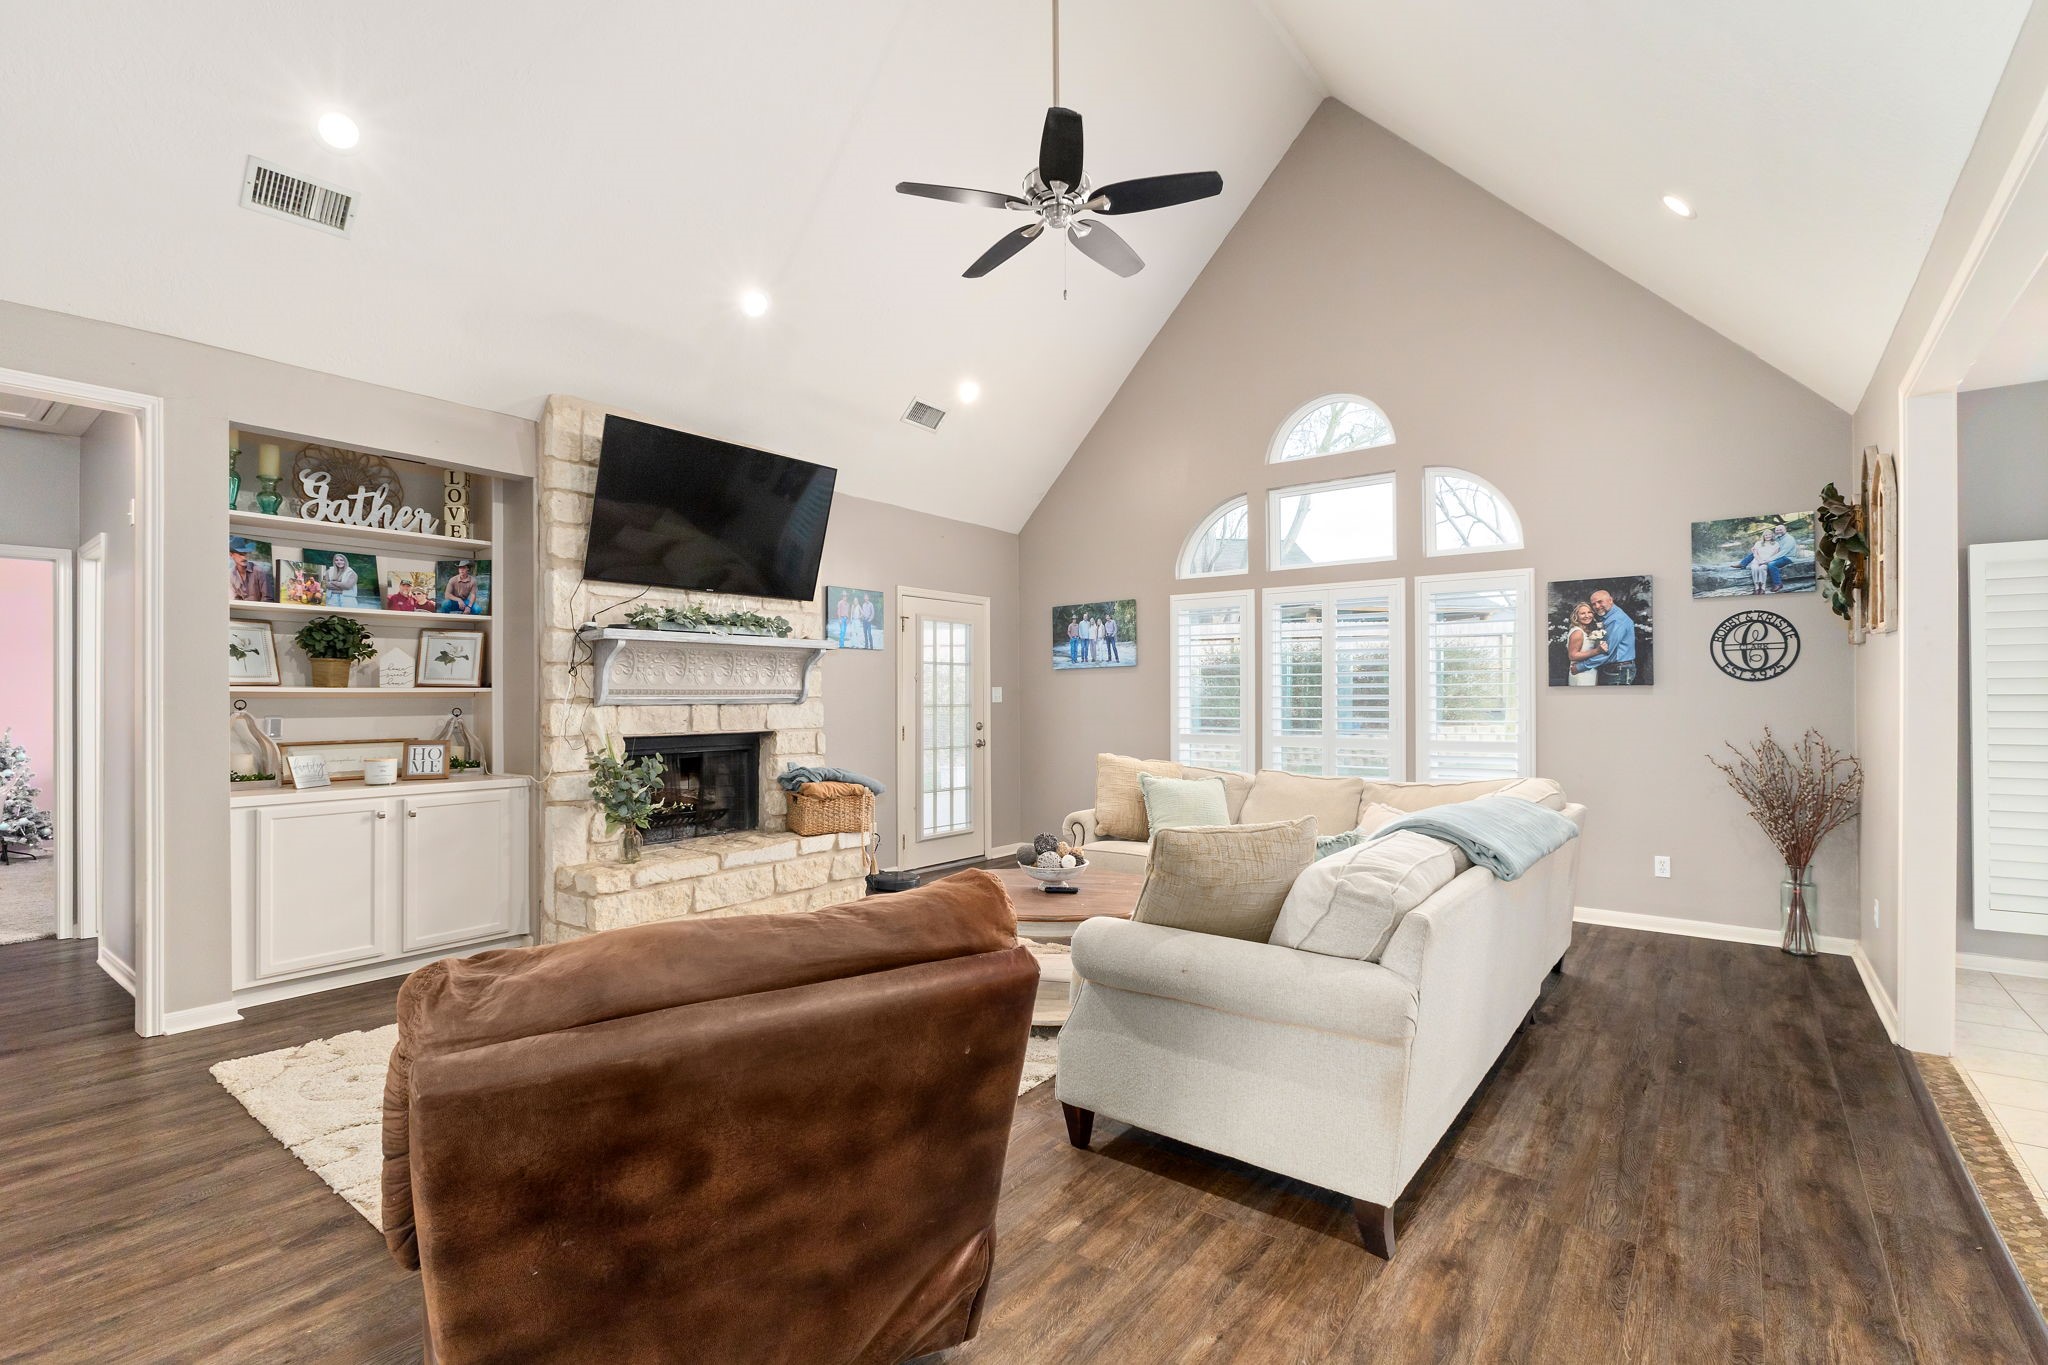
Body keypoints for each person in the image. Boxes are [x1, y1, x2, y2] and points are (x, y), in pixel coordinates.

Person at [1578, 588, 1639, 685]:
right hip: (1614, 669)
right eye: (1593, 604)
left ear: (1610, 600)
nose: (1597, 606)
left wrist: (1580, 667)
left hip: (1618, 670)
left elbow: (1607, 651)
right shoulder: (1609, 616)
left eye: (1600, 602)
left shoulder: (1616, 620)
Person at [1737, 522, 1797, 593]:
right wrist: (1755, 548)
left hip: (1787, 557)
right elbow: (1767, 544)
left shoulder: (1789, 539)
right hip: (1778, 555)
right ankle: (1743, 564)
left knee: (1771, 564)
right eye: (1777, 530)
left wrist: (1768, 560)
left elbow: (1782, 553)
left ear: (1785, 530)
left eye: (1781, 529)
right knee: (1756, 551)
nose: (1778, 531)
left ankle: (1778, 584)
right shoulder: (1778, 537)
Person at [1563, 601, 1602, 687]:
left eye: (1589, 612)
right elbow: (1572, 656)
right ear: (1576, 616)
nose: (1587, 616)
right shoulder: (1578, 632)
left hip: (1588, 671)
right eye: (1582, 613)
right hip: (1581, 674)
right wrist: (1597, 651)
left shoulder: (1587, 630)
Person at [229, 537, 273, 602]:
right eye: (240, 554)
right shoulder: (231, 574)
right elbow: (235, 599)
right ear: (231, 555)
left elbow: (268, 599)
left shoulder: (259, 571)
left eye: (245, 553)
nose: (244, 557)